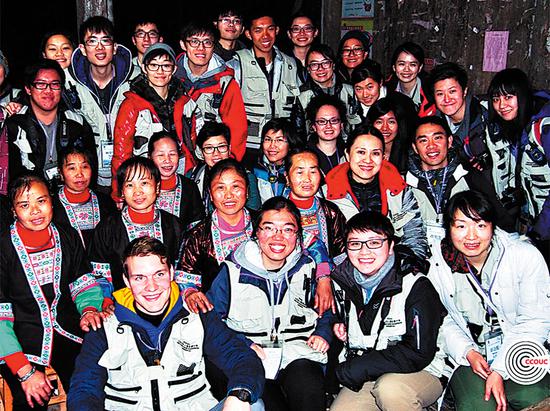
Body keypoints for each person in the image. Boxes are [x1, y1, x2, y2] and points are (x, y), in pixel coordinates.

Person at [68, 236, 266, 411]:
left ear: (171, 273)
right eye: (139, 278)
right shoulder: (105, 326)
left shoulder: (198, 314)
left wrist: (240, 394)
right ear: (126, 281)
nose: (151, 287)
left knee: (253, 405)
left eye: (159, 274)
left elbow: (241, 357)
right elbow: (84, 387)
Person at [427, 190, 550, 411]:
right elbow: (442, 320)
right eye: (461, 226)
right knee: (478, 404)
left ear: (493, 227)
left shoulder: (523, 255)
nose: (471, 236)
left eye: (481, 225)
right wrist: (468, 352)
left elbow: (535, 320)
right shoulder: (436, 265)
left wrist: (500, 370)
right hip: (469, 353)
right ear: (449, 228)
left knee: (535, 395)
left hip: (521, 348)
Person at [207, 197, 333, 411]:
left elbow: (326, 309)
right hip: (252, 355)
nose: (278, 237)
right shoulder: (231, 271)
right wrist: (243, 344)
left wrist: (322, 332)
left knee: (308, 387)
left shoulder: (309, 268)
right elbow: (211, 321)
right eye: (269, 228)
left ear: (297, 235)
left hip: (297, 350)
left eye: (287, 229)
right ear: (256, 233)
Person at [0, 174, 104, 411]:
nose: (35, 211)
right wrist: (25, 372)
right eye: (24, 205)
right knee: (31, 399)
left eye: (41, 201)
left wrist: (88, 309)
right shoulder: (3, 247)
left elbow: (82, 280)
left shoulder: (66, 236)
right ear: (14, 211)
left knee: (89, 386)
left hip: (67, 331)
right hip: (18, 338)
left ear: (52, 201)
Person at [330, 210, 445, 411]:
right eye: (355, 244)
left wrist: (353, 369)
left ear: (391, 246)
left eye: (374, 243)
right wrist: (336, 325)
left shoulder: (416, 285)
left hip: (420, 372)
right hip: (368, 374)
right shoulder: (341, 282)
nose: (364, 252)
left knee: (390, 390)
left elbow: (419, 352)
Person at [323, 124, 428, 262]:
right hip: (346, 270)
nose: (368, 160)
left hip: (394, 266)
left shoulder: (398, 189)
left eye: (375, 153)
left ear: (383, 157)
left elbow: (415, 235)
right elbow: (325, 246)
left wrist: (403, 265)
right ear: (348, 155)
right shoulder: (327, 194)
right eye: (361, 152)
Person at [407, 116, 517, 247]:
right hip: (421, 258)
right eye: (423, 140)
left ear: (449, 141)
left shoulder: (471, 177)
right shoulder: (403, 184)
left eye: (437, 138)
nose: (431, 146)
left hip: (468, 253)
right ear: (415, 147)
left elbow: (500, 219)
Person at [112, 42, 195, 201]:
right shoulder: (132, 104)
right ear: (144, 68)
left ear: (174, 69)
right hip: (145, 181)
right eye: (154, 66)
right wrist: (119, 194)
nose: (160, 71)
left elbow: (193, 139)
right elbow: (121, 152)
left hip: (181, 174)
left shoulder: (185, 101)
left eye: (166, 66)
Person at [88, 157, 183, 297]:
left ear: (157, 187)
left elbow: (182, 269)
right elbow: (98, 272)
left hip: (167, 300)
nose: (137, 192)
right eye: (130, 185)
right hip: (122, 305)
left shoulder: (174, 225)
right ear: (121, 191)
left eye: (144, 183)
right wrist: (106, 300)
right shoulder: (108, 227)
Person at [65, 16, 133, 192]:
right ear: (82, 49)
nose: (100, 48)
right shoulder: (67, 81)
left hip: (128, 169)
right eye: (92, 41)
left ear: (115, 47)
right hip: (88, 173)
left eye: (105, 41)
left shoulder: (135, 78)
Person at [6, 59, 97, 187]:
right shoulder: (14, 126)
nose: (48, 90)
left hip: (70, 194)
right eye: (41, 84)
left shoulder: (77, 123)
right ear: (28, 89)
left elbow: (91, 167)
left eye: (55, 84)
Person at [487, 68, 550, 249]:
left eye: (508, 97)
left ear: (522, 96)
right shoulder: (514, 126)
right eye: (496, 99)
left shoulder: (544, 128)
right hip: (531, 222)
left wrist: (540, 232)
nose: (501, 105)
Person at [229, 12, 301, 167]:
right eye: (258, 30)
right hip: (249, 146)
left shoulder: (290, 64)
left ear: (277, 30)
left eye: (270, 29)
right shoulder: (237, 64)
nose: (265, 35)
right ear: (248, 34)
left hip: (282, 147)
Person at [178, 158, 254, 304]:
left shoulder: (262, 225)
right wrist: (191, 292)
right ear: (211, 195)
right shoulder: (197, 235)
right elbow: (185, 277)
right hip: (217, 308)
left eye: (235, 187)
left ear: (247, 191)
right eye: (220, 188)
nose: (228, 195)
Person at [176, 21, 247, 162]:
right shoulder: (170, 76)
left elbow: (238, 130)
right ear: (183, 45)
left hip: (213, 159)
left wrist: (230, 164)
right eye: (194, 42)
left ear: (214, 46)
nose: (201, 48)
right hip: (177, 159)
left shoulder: (225, 83)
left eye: (207, 42)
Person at [187, 121, 261, 212]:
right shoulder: (192, 176)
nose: (216, 153)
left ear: (229, 149)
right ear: (202, 152)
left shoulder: (247, 177)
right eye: (209, 148)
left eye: (221, 146)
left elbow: (253, 211)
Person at [52, 146, 117, 249]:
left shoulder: (106, 202)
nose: (79, 174)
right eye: (72, 168)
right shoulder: (52, 206)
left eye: (85, 167)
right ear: (61, 173)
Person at [292, 44, 360, 137]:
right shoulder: (301, 95)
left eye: (325, 63)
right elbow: (298, 131)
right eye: (314, 65)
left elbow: (358, 123)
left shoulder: (350, 91)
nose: (320, 69)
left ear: (333, 65)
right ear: (308, 69)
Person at [148, 132, 204, 227]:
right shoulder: (141, 187)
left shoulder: (189, 187)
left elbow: (197, 225)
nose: (167, 160)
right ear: (150, 157)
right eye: (161, 155)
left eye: (172, 154)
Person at [254, 118, 299, 203]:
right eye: (267, 139)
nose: (272, 146)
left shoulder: (297, 169)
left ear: (290, 143)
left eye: (279, 140)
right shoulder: (254, 168)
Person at [386, 42, 435, 117]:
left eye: (412, 64)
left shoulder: (431, 92)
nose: (406, 69)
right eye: (401, 64)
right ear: (394, 67)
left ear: (420, 68)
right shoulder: (385, 90)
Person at [366, 97, 415, 173]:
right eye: (379, 122)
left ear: (399, 124)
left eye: (391, 122)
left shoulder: (410, 154)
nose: (385, 128)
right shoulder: (362, 151)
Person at [305, 94, 348, 176]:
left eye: (334, 120)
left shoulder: (350, 153)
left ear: (341, 125)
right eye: (322, 121)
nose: (328, 126)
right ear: (314, 126)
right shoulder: (304, 155)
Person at [287, 13, 319, 83]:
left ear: (315, 32)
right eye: (296, 29)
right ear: (289, 34)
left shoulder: (324, 61)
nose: (302, 33)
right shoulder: (281, 61)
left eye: (307, 28)